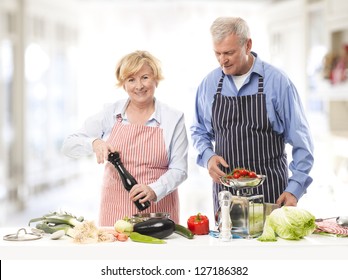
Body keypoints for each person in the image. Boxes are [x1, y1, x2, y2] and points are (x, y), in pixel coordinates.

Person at [190, 17, 314, 217]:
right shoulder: (209, 84)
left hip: (271, 196)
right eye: (218, 53)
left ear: (248, 45)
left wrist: (295, 188)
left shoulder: (278, 82)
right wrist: (208, 156)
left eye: (229, 53)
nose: (223, 60)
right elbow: (198, 130)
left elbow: (303, 143)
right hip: (226, 198)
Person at [62, 50, 188, 226]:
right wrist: (94, 142)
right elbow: (68, 145)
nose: (139, 86)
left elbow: (180, 169)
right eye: (131, 79)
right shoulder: (111, 113)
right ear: (123, 84)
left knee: (159, 253)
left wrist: (154, 189)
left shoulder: (173, 118)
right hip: (116, 209)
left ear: (156, 79)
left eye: (145, 77)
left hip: (158, 210)